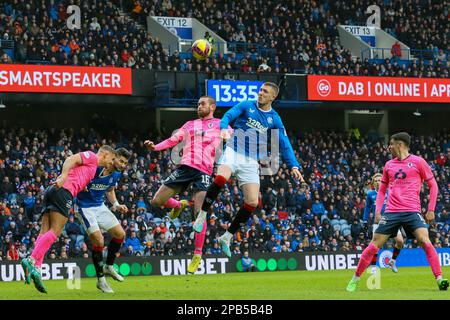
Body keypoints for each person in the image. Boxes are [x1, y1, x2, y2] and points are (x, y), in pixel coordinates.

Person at [193, 82, 305, 257]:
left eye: (265, 92)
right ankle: (202, 214)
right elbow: (228, 116)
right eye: (260, 90)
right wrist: (223, 128)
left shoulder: (274, 119)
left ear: (272, 97)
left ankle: (227, 237)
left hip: (251, 160)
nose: (260, 93)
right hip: (233, 150)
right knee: (221, 178)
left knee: (252, 202)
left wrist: (294, 165)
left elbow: (284, 143)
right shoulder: (246, 105)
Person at [346, 132, 448, 292]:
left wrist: (431, 209)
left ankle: (440, 279)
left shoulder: (419, 162)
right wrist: (379, 210)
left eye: (391, 144)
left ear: (400, 145)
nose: (389, 147)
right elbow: (381, 191)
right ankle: (355, 279)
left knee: (425, 240)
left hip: (412, 211)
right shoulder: (388, 165)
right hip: (392, 212)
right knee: (374, 245)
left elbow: (434, 186)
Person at [144, 96, 227, 274]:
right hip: (184, 168)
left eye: (203, 104)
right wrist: (155, 147)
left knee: (199, 213)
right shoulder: (190, 124)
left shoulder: (221, 124)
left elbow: (236, 139)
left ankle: (197, 254)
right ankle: (178, 204)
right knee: (156, 201)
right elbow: (172, 140)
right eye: (198, 104)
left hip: (203, 171)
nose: (199, 106)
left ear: (212, 107)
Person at [21, 145, 115, 294]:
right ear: (104, 154)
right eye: (112, 158)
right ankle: (31, 259)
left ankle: (36, 268)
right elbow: (70, 159)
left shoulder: (91, 171)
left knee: (44, 232)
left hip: (53, 191)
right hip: (64, 192)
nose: (112, 162)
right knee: (55, 232)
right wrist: (64, 176)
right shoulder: (91, 156)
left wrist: (82, 186)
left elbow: (78, 176)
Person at [75, 147, 131, 293]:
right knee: (99, 241)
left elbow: (110, 190)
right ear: (114, 157)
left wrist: (116, 205)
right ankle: (101, 281)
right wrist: (81, 185)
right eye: (121, 161)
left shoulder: (117, 174)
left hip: (100, 206)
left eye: (125, 163)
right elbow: (77, 178)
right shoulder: (96, 168)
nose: (123, 165)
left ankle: (109, 266)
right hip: (84, 207)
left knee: (120, 234)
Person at [364, 173, 404, 273]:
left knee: (400, 242)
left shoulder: (390, 191)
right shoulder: (370, 194)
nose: (378, 182)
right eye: (376, 181)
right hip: (378, 223)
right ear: (373, 183)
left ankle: (393, 261)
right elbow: (367, 208)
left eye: (380, 180)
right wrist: (365, 220)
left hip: (392, 220)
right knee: (375, 246)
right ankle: (373, 266)